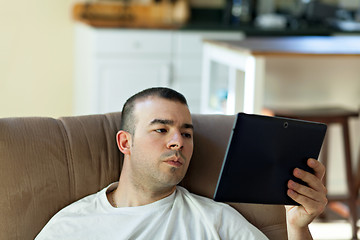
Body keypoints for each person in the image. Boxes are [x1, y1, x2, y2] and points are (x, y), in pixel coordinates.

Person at [36, 87, 327, 240]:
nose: (179, 142)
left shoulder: (216, 220)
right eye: (161, 130)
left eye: (186, 133)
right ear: (126, 142)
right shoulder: (73, 225)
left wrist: (297, 226)